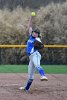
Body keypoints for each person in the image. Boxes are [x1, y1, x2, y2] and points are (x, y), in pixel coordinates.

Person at [19, 13, 48, 91]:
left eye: (36, 33)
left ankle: (43, 75)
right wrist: (31, 17)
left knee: (37, 65)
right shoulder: (31, 37)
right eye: (34, 32)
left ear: (38, 35)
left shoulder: (37, 39)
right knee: (30, 76)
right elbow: (29, 27)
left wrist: (40, 45)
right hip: (31, 57)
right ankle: (26, 88)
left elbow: (41, 45)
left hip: (36, 55)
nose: (35, 33)